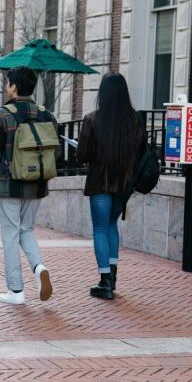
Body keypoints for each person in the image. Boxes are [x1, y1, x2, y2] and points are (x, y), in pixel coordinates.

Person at [0, 67, 57, 305]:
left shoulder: (3, 115)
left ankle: (16, 291)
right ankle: (39, 268)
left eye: (8, 83)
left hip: (9, 185)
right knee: (26, 230)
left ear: (14, 86)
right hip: (37, 184)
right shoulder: (46, 115)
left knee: (10, 235)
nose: (6, 87)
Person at [76, 72, 146, 300]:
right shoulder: (135, 120)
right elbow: (138, 150)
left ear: (102, 93)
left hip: (99, 182)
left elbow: (82, 155)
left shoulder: (92, 119)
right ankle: (112, 279)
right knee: (112, 226)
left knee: (99, 229)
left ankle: (104, 281)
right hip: (124, 183)